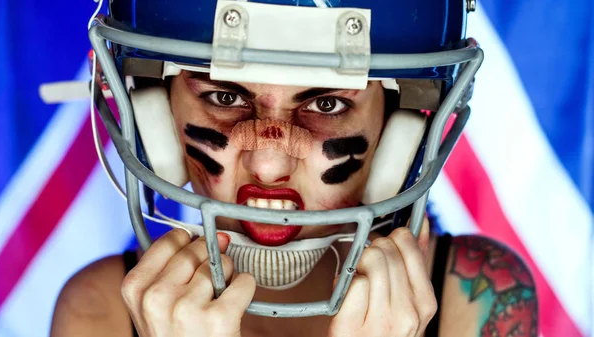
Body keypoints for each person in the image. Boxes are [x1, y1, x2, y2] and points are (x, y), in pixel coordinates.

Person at [50, 0, 538, 336]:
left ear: (401, 123)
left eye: (325, 104)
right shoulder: (97, 313)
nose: (267, 165)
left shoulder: (477, 299)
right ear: (155, 108)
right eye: (224, 96)